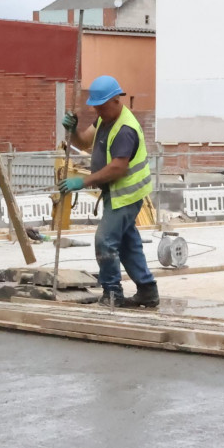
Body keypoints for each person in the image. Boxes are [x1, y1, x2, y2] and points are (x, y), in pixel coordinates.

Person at [58, 74, 159, 308]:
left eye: (102, 106)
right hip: (117, 193)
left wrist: (82, 182)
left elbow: (118, 168)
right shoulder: (105, 118)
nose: (98, 112)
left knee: (104, 240)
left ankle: (112, 293)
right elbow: (83, 142)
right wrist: (72, 131)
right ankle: (147, 291)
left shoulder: (125, 129)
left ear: (116, 100)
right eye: (96, 107)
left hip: (125, 195)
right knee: (127, 244)